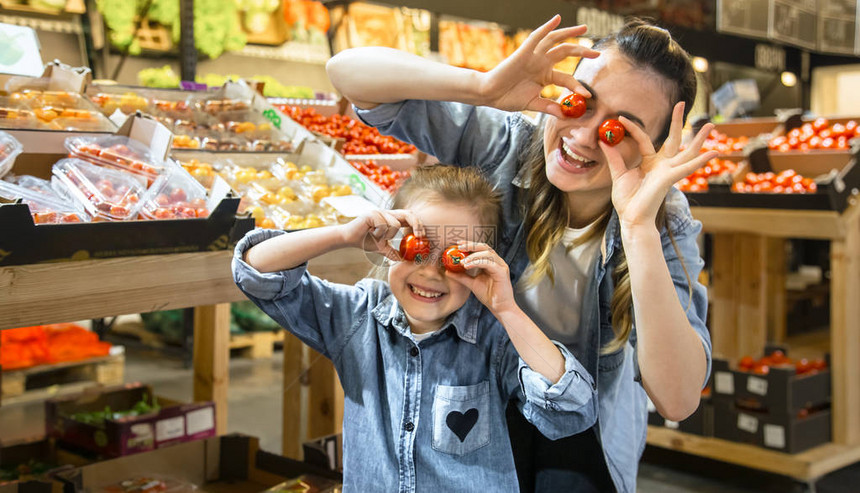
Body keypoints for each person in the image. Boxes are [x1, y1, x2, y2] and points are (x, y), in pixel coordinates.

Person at [326, 15, 716, 493]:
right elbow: (348, 73)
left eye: (619, 131)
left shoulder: (664, 217)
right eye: (579, 103)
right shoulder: (508, 144)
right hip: (470, 399)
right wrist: (485, 86)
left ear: (653, 149)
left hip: (579, 427)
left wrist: (637, 229)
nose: (583, 135)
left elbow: (677, 399)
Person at [232, 165, 598, 492]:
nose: (430, 272)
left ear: (480, 262)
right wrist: (344, 235)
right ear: (391, 242)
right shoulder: (359, 315)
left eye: (455, 259)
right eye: (416, 248)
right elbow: (256, 272)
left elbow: (571, 411)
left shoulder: (494, 338)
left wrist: (507, 309)